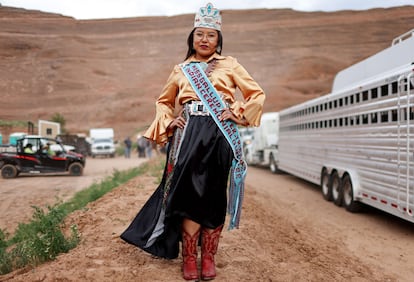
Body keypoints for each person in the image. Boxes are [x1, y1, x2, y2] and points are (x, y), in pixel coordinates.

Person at [121, 3, 265, 280]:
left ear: (218, 39)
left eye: (211, 35)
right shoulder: (181, 70)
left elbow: (256, 94)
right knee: (189, 194)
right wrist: (168, 121)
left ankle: (208, 256)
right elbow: (164, 102)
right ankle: (189, 257)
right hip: (188, 135)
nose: (204, 40)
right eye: (200, 34)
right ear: (192, 38)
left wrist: (235, 112)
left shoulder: (230, 64)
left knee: (212, 194)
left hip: (219, 133)